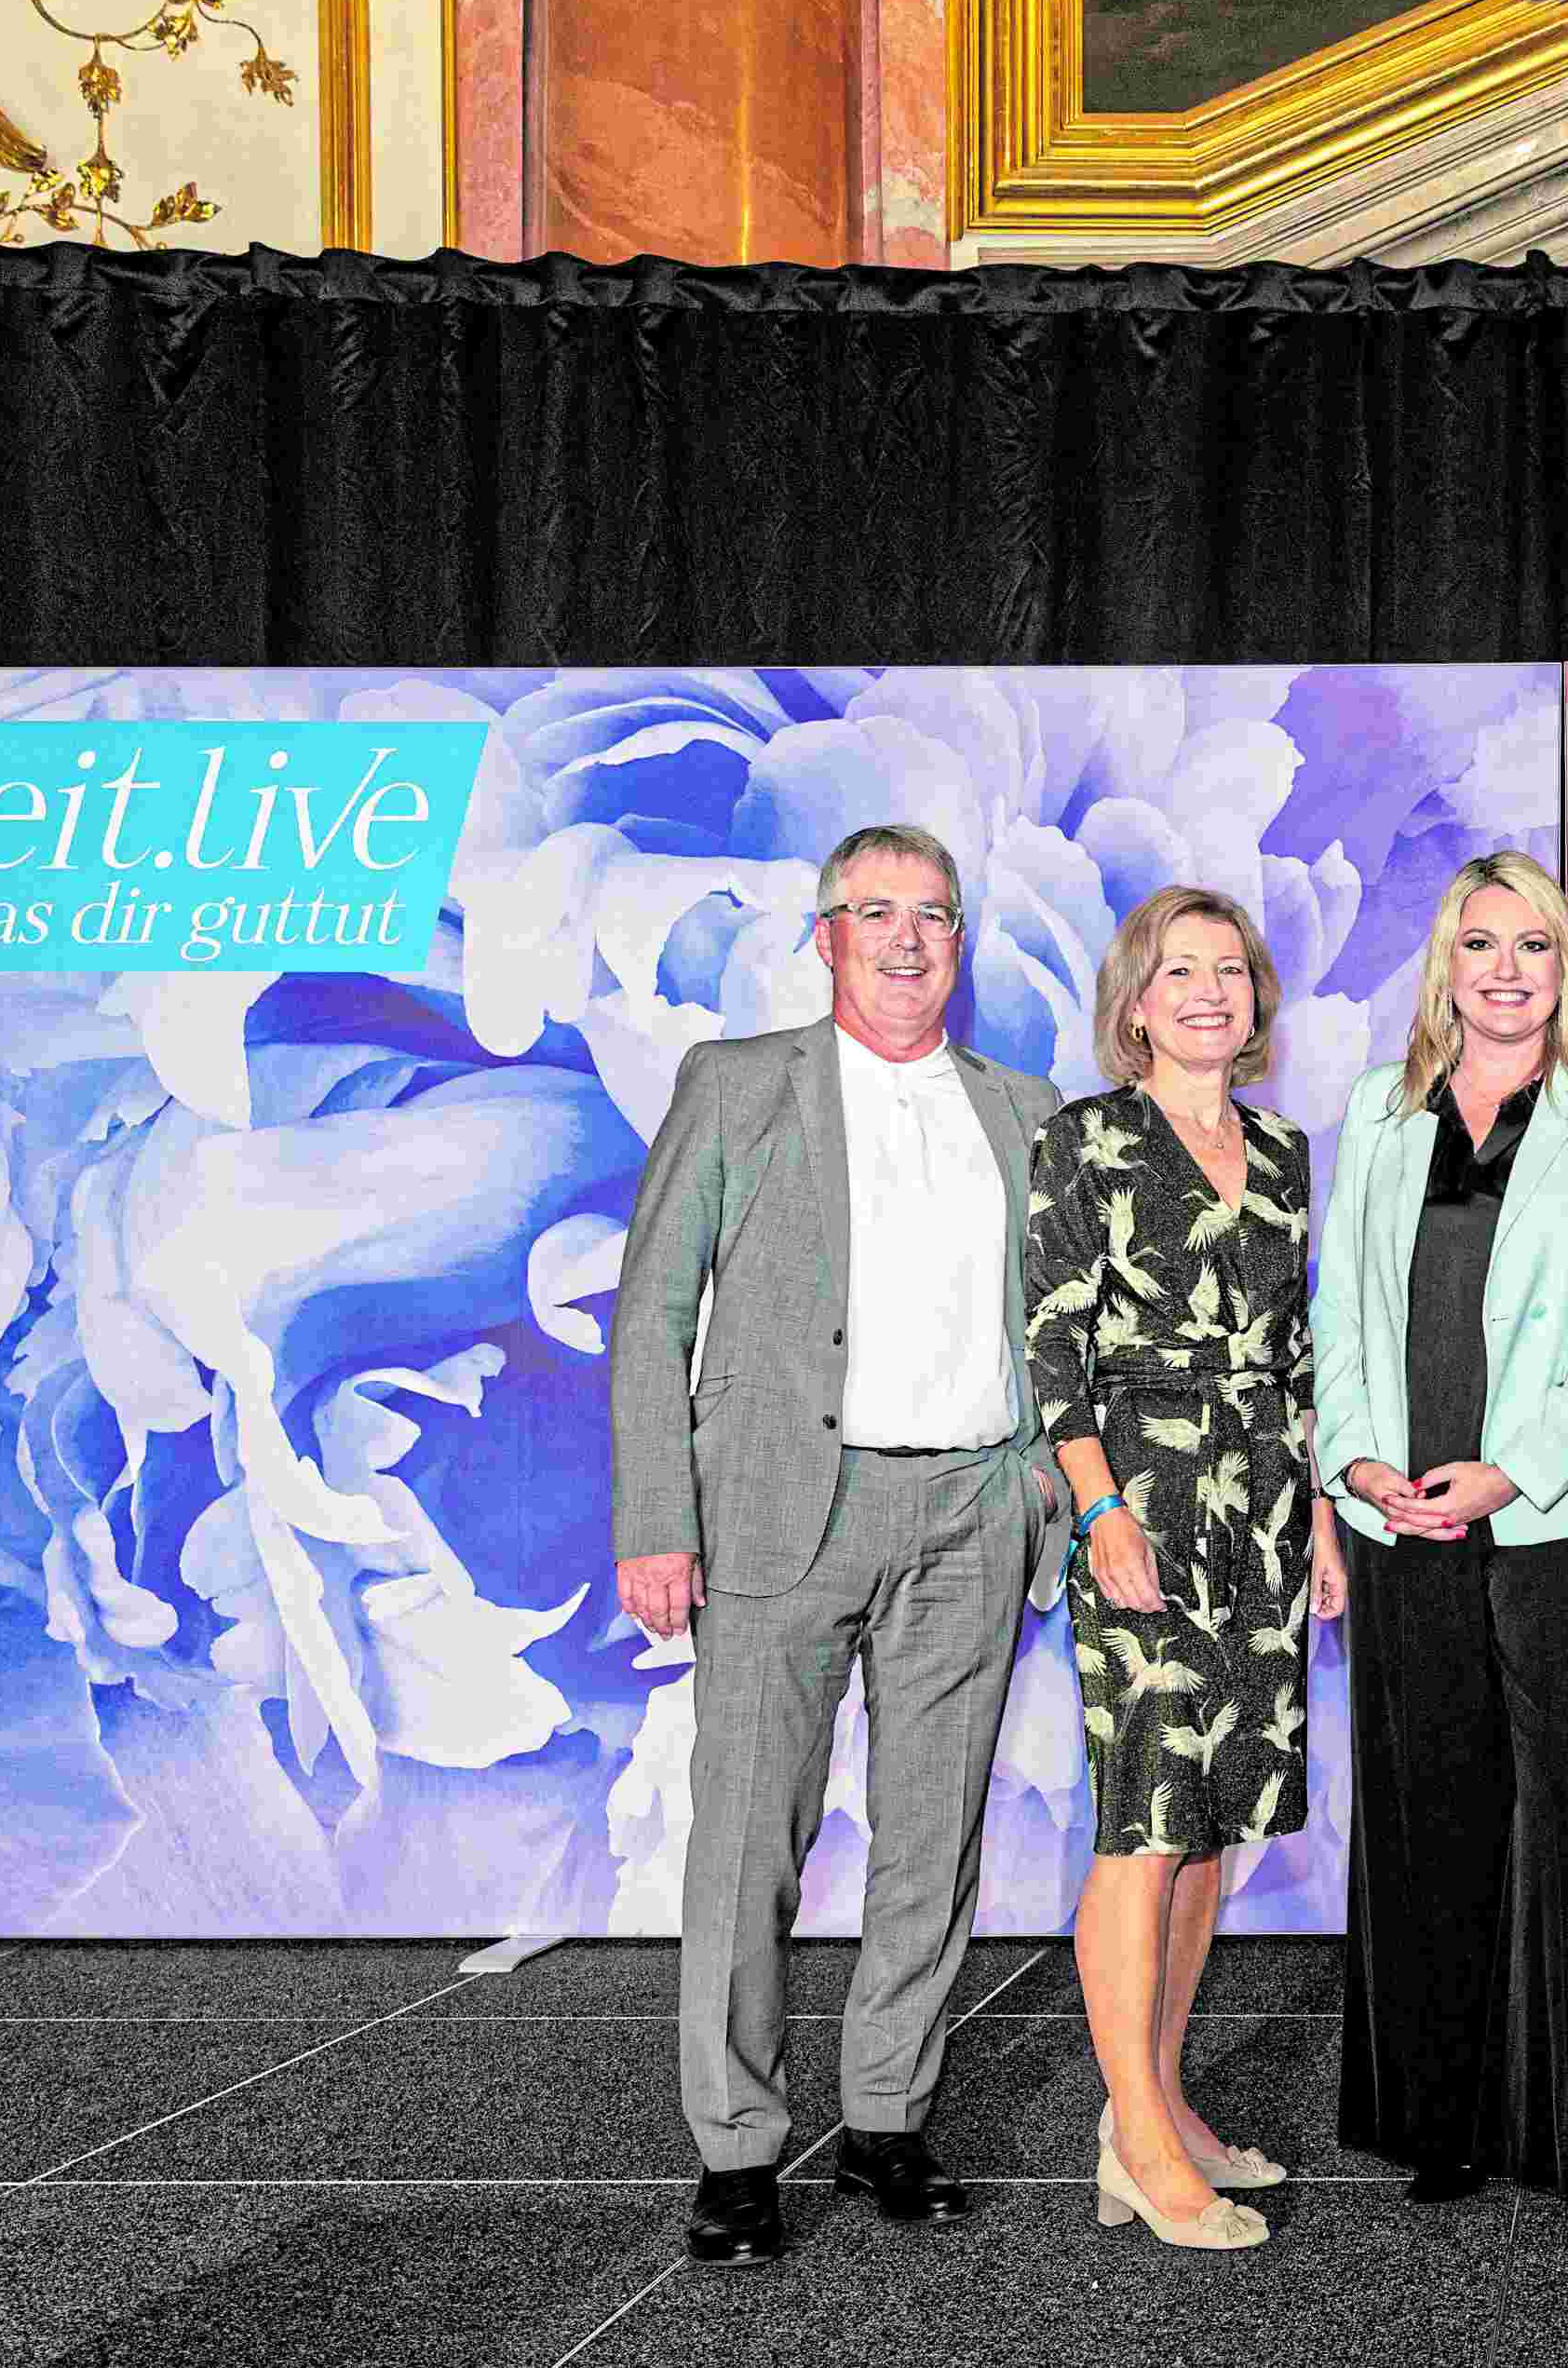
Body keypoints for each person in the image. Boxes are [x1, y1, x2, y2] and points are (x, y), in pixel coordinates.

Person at [609, 823, 1069, 2269]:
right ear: (826, 937)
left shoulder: (1026, 1107)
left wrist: (1039, 1493)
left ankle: (887, 2116)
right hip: (778, 1512)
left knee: (933, 1841)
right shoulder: (738, 1084)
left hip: (974, 1510)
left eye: (932, 914)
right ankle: (738, 2149)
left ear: (959, 942)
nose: (907, 938)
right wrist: (654, 1518)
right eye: (876, 912)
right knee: (751, 1842)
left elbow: (1061, 1322)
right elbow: (652, 1308)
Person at [1310, 850, 1568, 2274]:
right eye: (1482, 944)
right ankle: (1447, 2119)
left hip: (1552, 1516)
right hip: (1403, 1514)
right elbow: (1342, 1313)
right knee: (1432, 1811)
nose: (1508, 970)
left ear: (1563, 965)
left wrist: (1512, 1468)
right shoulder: (1379, 1109)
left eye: (1535, 944)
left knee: (1565, 1820)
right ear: (1446, 966)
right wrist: (1357, 1464)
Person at [1026, 884, 1346, 2254]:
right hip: (1142, 1505)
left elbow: (1296, 1350)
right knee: (1145, 1819)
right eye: (1181, 971)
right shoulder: (1086, 1139)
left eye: (1231, 970)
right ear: (1138, 1004)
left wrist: (1318, 1513)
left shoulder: (1281, 1152)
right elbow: (1054, 1344)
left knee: (1212, 1820)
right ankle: (1140, 2144)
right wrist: (1099, 1505)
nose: (1211, 991)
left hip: (1263, 1504)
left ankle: (1156, 2098)